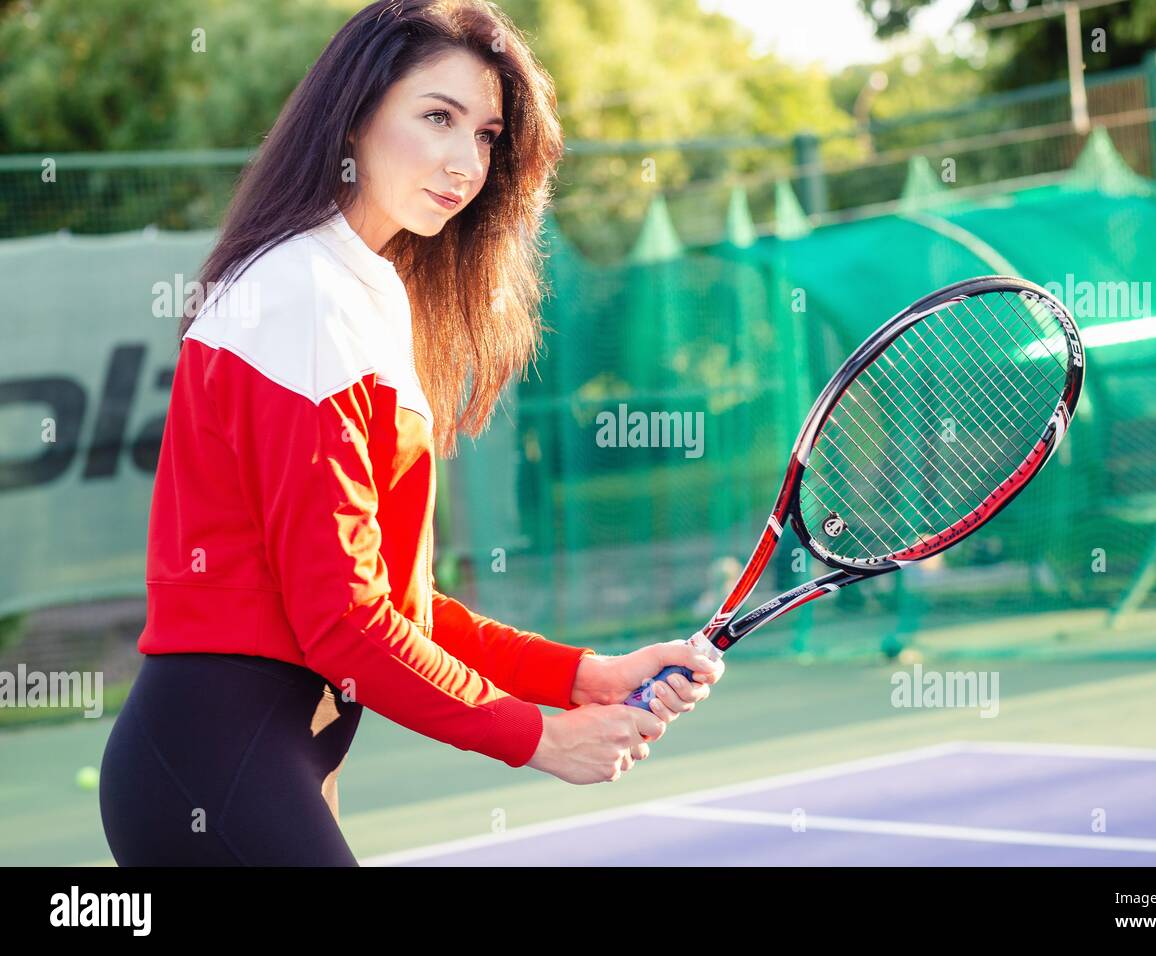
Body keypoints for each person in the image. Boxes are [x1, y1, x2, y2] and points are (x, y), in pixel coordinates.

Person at [99, 0, 723, 867]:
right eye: (437, 117)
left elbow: (399, 608)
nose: (465, 162)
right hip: (216, 762)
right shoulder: (304, 291)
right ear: (354, 116)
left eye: (487, 134)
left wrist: (581, 676)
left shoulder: (363, 290)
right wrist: (537, 738)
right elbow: (344, 623)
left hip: (260, 763)